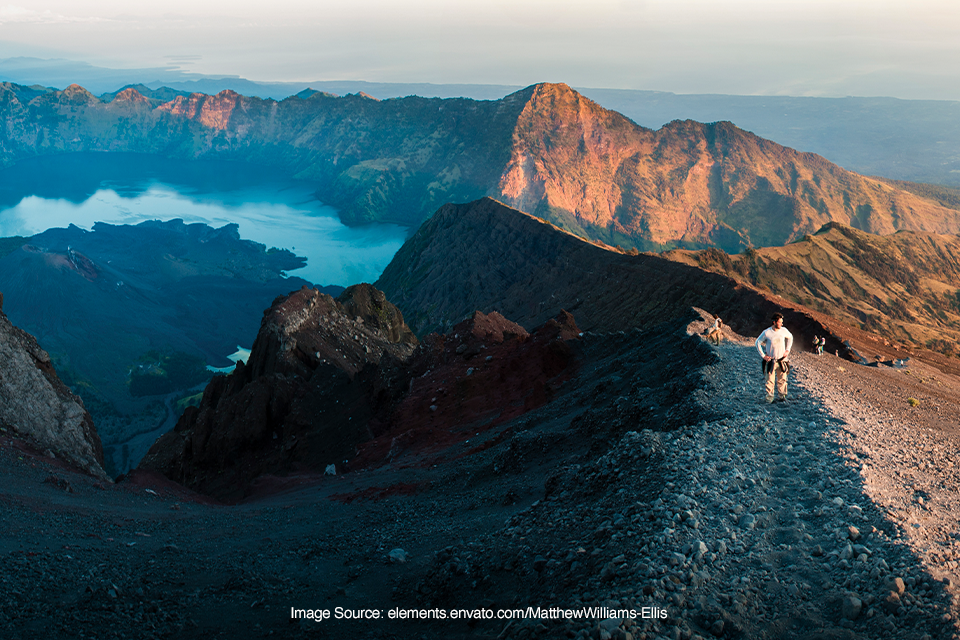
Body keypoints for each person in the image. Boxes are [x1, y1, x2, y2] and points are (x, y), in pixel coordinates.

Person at [756, 312, 793, 403]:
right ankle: (769, 398)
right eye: (780, 322)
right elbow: (757, 342)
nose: (782, 324)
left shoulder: (784, 330)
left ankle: (782, 397)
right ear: (774, 322)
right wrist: (763, 356)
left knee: (782, 380)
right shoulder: (767, 332)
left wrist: (787, 349)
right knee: (769, 381)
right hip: (771, 361)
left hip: (782, 360)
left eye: (782, 322)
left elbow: (790, 337)